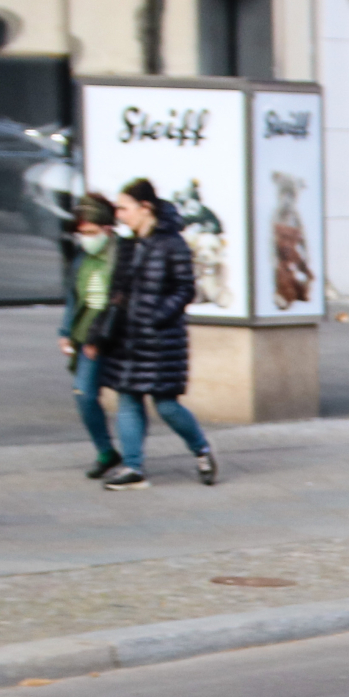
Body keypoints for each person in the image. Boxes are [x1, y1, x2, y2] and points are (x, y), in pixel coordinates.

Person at [98, 179, 215, 490]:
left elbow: (185, 288)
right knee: (128, 398)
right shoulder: (127, 244)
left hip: (162, 339)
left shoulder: (172, 243)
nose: (120, 215)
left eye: (124, 208)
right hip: (127, 337)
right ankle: (133, 467)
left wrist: (158, 316)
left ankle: (201, 449)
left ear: (145, 207)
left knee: (166, 404)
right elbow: (116, 290)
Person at [58, 194, 122, 480]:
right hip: (87, 336)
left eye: (91, 232)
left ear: (107, 228)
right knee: (84, 393)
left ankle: (135, 459)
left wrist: (101, 336)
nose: (85, 238)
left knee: (136, 398)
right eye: (82, 233)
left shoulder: (122, 254)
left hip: (117, 336)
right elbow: (74, 298)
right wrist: (65, 332)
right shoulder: (82, 258)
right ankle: (106, 450)